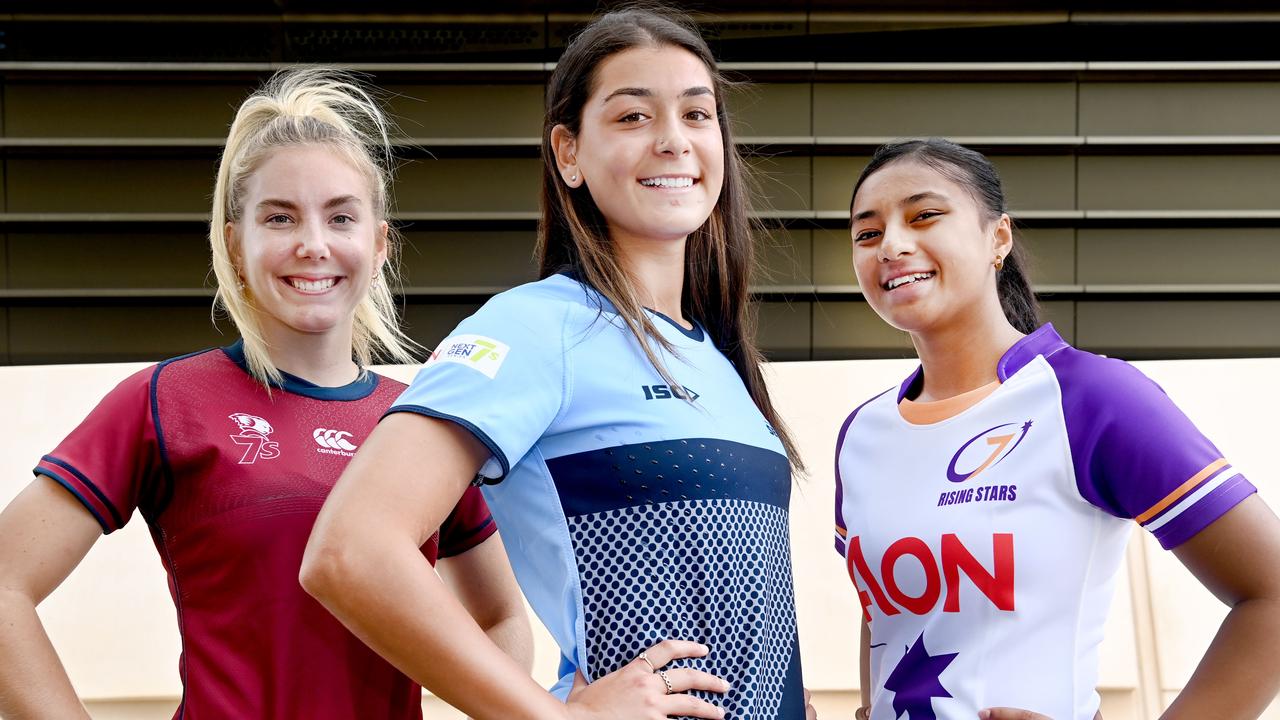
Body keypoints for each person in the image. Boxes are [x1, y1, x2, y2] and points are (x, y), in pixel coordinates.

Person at [301, 7, 816, 720]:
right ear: (568, 153)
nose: (673, 140)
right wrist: (558, 717)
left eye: (697, 115)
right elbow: (351, 551)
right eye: (634, 117)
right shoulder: (540, 327)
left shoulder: (721, 357)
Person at [0, 68, 530, 719]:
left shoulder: (420, 427)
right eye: (279, 218)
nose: (313, 245)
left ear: (379, 242)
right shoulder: (164, 401)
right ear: (234, 241)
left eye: (341, 216)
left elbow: (500, 616)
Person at [834, 138, 1280, 719]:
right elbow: (882, 617)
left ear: (999, 237)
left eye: (924, 216)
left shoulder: (1090, 397)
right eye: (867, 234)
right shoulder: (863, 432)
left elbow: (1271, 595)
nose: (892, 245)